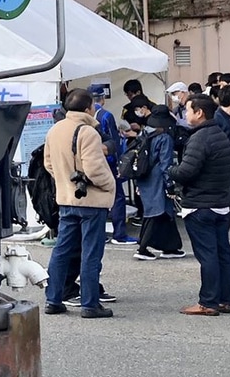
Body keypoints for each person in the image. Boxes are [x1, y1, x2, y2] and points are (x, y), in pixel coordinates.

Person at [42, 90, 115, 319]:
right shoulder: (88, 132)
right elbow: (94, 168)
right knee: (91, 253)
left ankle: (53, 298)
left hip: (66, 198)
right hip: (91, 201)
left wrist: (64, 180)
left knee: (61, 250)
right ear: (87, 109)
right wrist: (108, 185)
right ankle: (90, 303)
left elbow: (48, 163)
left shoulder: (54, 130)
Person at [171, 94, 230, 317]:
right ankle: (225, 299)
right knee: (223, 252)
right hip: (221, 201)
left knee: (208, 254)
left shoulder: (200, 138)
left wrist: (170, 172)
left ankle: (208, 301)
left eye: (188, 110)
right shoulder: (220, 133)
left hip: (201, 204)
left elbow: (186, 171)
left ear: (199, 112)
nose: (186, 114)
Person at [132, 106, 184, 258]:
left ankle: (171, 246)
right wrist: (170, 185)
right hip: (157, 179)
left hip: (144, 177)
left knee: (161, 213)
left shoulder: (144, 132)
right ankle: (142, 248)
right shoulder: (165, 137)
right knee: (156, 213)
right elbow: (165, 164)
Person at [90, 83, 133, 245]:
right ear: (103, 98)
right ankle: (119, 234)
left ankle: (99, 234)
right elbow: (113, 143)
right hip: (108, 162)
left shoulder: (85, 115)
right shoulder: (106, 116)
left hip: (91, 162)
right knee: (117, 198)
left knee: (96, 199)